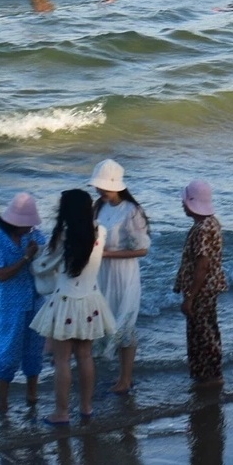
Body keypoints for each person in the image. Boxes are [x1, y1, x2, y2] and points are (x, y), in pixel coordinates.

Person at [29, 189, 115, 425]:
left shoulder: (64, 236)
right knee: (86, 356)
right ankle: (86, 408)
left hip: (66, 302)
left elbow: (42, 267)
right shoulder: (101, 231)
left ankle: (62, 412)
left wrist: (33, 255)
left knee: (63, 360)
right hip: (91, 300)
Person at [91, 159, 150, 395]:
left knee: (125, 323)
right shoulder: (98, 206)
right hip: (101, 274)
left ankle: (125, 378)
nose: (98, 190)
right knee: (100, 321)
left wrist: (107, 254)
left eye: (102, 186)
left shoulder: (132, 211)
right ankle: (104, 376)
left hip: (124, 275)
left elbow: (142, 249)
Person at [0, 192, 47, 412]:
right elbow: (1, 274)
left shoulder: (35, 237)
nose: (30, 227)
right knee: (7, 353)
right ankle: (2, 401)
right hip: (8, 305)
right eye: (26, 224)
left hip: (33, 301)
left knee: (34, 350)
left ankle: (32, 395)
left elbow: (45, 264)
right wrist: (25, 258)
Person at [174, 180, 228, 386]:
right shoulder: (212, 223)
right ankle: (209, 374)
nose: (182, 205)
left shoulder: (201, 229)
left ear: (191, 203)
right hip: (210, 286)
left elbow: (202, 265)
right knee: (207, 330)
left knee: (202, 333)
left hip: (202, 289)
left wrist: (190, 297)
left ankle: (210, 376)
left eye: (185, 201)